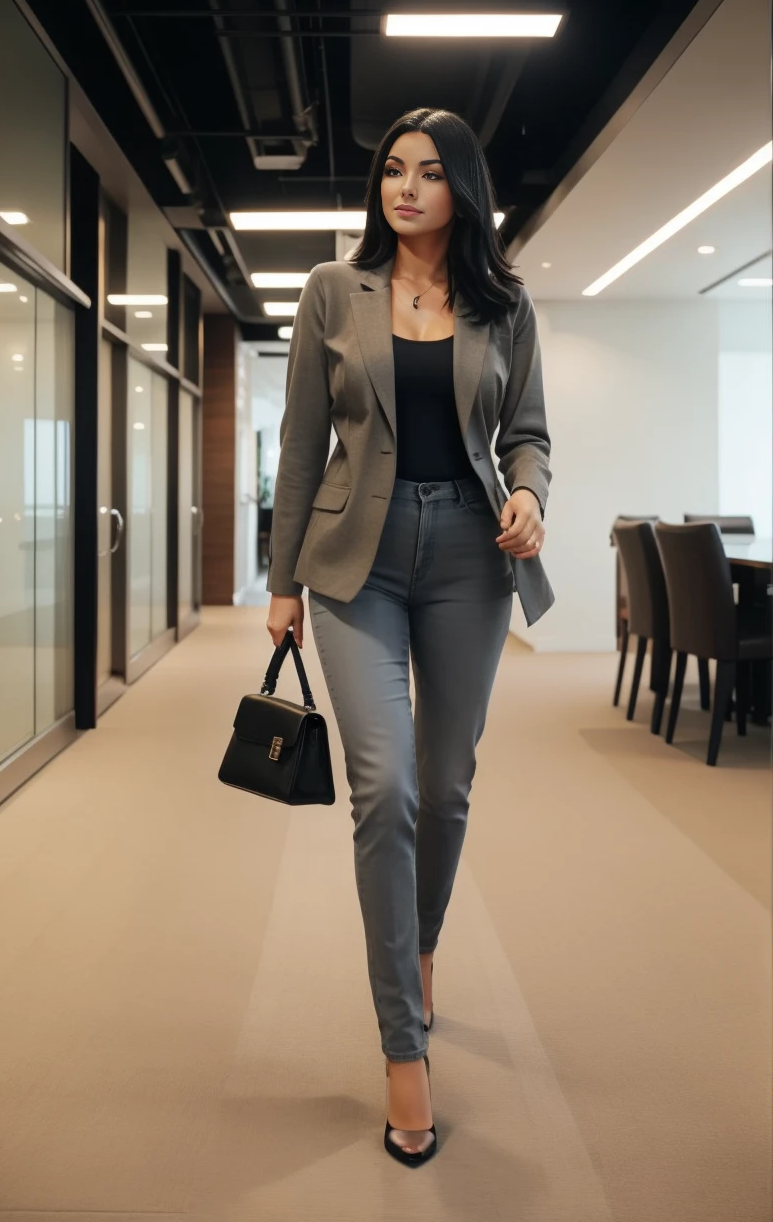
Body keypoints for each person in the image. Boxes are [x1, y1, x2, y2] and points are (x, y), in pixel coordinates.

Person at [265, 107, 554, 1167]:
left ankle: (418, 946)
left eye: (429, 173)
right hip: (357, 559)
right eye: (392, 169)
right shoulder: (331, 292)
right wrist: (282, 580)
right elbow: (301, 443)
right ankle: (402, 1046)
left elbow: (525, 433)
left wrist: (528, 494)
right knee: (381, 786)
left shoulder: (503, 302)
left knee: (446, 784)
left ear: (462, 190)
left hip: (472, 561)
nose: (405, 186)